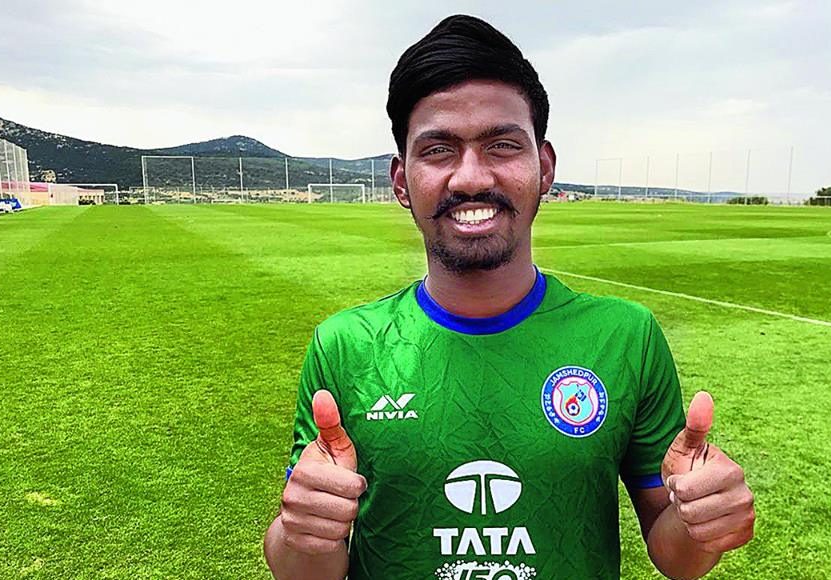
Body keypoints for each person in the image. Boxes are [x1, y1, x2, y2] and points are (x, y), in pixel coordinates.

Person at [264, 14, 755, 580]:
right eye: (439, 150)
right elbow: (303, 568)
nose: (471, 178)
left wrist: (701, 523)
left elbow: (676, 558)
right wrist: (301, 529)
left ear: (543, 167)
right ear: (401, 181)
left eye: (501, 145)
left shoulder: (626, 336)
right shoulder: (345, 345)